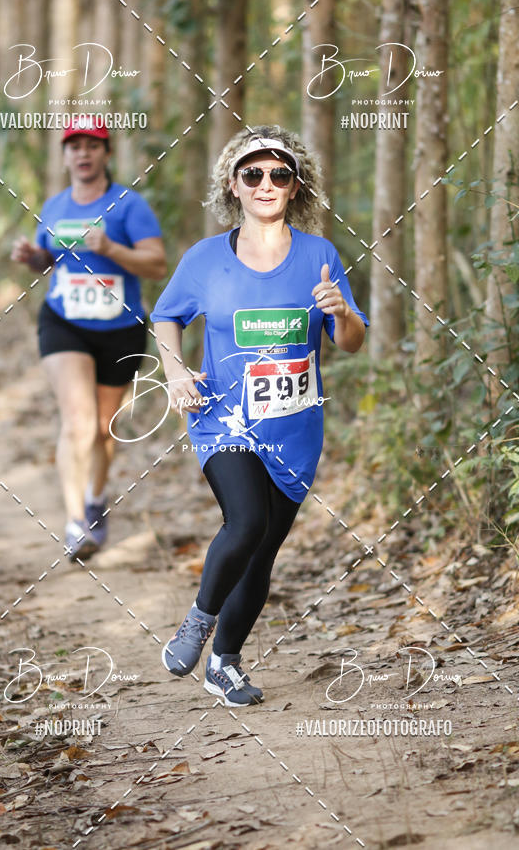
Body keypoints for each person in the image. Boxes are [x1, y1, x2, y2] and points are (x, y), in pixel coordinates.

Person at [150, 125, 368, 706]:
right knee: (244, 522)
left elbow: (351, 342)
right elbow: (165, 316)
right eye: (253, 173)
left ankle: (225, 662)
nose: (266, 183)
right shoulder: (204, 260)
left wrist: (341, 312)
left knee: (263, 550)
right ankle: (199, 622)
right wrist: (174, 372)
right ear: (234, 185)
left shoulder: (320, 257)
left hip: (295, 428)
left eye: (279, 174)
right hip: (224, 417)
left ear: (296, 187)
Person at [11, 117, 166, 561]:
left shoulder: (129, 205)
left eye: (92, 145)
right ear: (64, 156)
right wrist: (32, 257)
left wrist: (110, 249)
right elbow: (49, 260)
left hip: (120, 329)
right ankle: (76, 521)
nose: (83, 153)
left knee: (102, 428)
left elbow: (156, 265)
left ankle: (97, 500)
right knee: (77, 423)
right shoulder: (55, 205)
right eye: (74, 146)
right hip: (65, 322)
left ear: (107, 154)